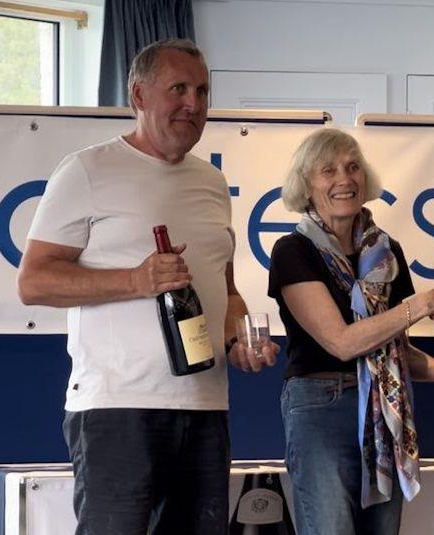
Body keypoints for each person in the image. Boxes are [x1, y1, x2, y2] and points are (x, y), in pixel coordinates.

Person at [17, 38, 277, 535]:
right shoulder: (87, 170)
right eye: (177, 88)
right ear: (138, 95)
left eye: (202, 91)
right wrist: (135, 280)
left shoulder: (213, 184)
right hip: (117, 408)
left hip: (205, 408)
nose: (193, 104)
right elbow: (34, 281)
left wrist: (237, 341)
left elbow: (226, 289)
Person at [267, 128, 434, 535]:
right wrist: (420, 304)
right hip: (322, 407)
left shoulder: (387, 253)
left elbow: (392, 350)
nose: (344, 179)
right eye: (328, 170)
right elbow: (343, 342)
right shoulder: (293, 251)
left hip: (385, 409)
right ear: (306, 185)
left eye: (353, 167)